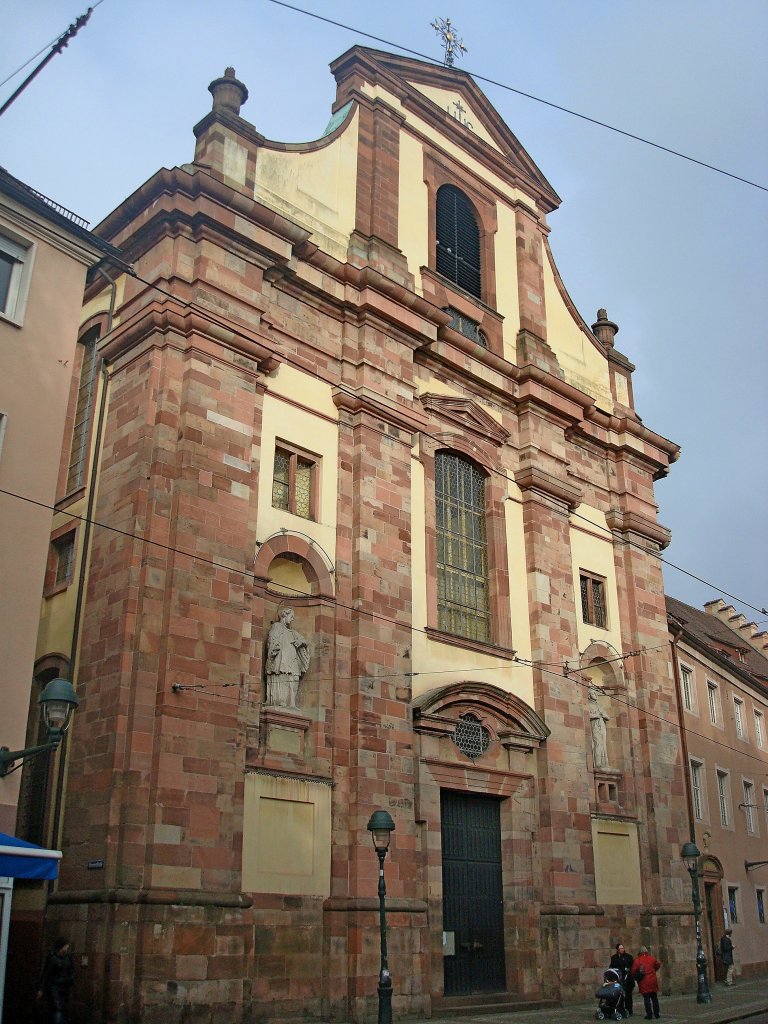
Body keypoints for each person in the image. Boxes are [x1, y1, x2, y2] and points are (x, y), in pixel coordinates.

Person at [265, 607, 310, 708]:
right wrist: (274, 650)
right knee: (282, 677)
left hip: (292, 662)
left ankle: (291, 703)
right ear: (284, 615)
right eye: (291, 616)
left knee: (294, 679)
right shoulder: (276, 627)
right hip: (281, 660)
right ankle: (280, 701)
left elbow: (305, 641)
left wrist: (301, 642)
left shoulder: (292, 632)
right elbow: (272, 642)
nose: (292, 619)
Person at [37, 937, 75, 1024]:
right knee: (57, 1009)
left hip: (65, 987)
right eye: (66, 946)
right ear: (62, 946)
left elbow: (72, 970)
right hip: (54, 987)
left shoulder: (68, 957)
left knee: (62, 1009)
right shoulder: (52, 958)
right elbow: (46, 973)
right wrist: (41, 988)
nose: (67, 947)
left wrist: (71, 978)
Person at [631, 945, 661, 1020]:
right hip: (652, 980)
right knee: (654, 998)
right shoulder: (652, 958)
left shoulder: (637, 960)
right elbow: (657, 965)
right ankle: (657, 1014)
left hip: (643, 981)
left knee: (646, 998)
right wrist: (653, 970)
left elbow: (633, 971)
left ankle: (649, 1015)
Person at [610, 941, 635, 1016]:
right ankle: (620, 1009)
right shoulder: (614, 958)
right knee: (619, 995)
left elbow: (632, 967)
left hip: (628, 979)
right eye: (620, 948)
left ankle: (629, 1010)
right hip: (618, 980)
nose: (622, 949)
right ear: (617, 950)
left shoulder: (629, 957)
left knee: (628, 996)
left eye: (623, 948)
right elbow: (612, 967)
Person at [588, 687, 610, 768]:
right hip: (595, 726)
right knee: (597, 743)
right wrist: (596, 715)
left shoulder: (600, 706)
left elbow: (608, 717)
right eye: (594, 693)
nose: (596, 695)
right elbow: (586, 715)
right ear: (589, 695)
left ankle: (604, 763)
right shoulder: (588, 705)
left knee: (603, 744)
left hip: (602, 726)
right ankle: (598, 762)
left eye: (596, 693)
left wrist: (604, 715)